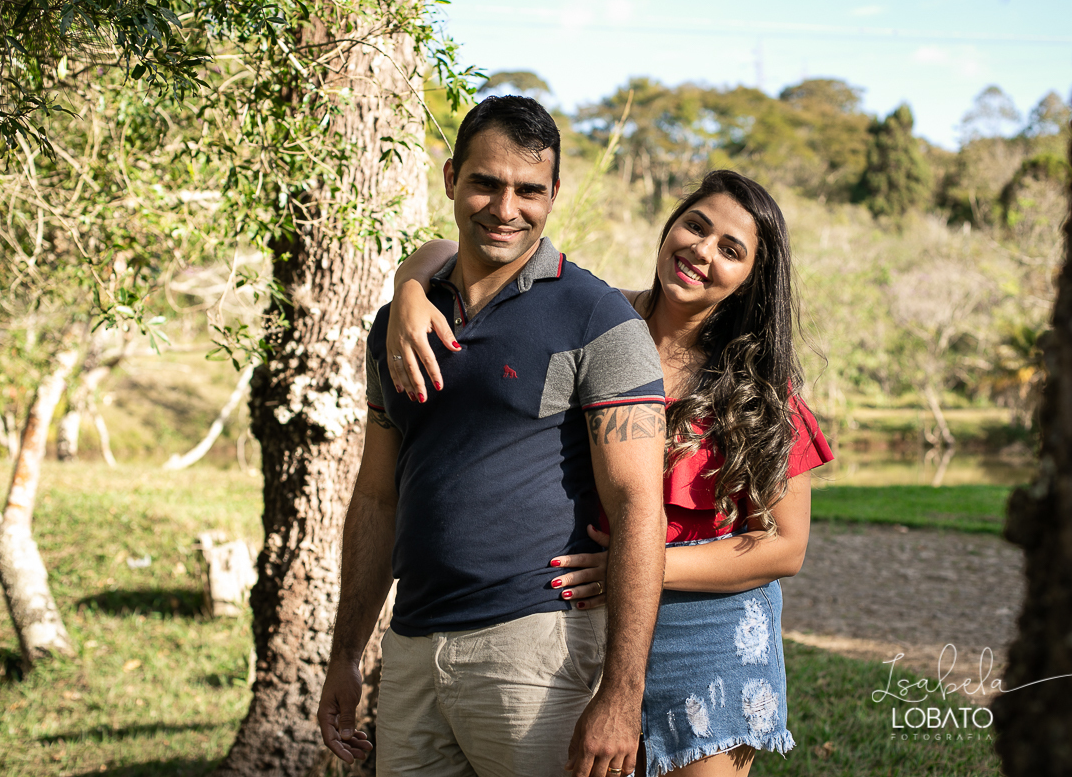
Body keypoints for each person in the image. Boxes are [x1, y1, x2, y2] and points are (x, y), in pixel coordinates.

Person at [384, 169, 833, 777]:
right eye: (695, 226)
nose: (702, 251)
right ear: (670, 225)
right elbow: (451, 251)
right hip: (583, 628)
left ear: (751, 279)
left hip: (709, 636)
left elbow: (786, 547)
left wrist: (637, 564)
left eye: (731, 250)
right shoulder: (595, 316)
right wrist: (409, 289)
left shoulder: (758, 391)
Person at [316, 95, 670, 777]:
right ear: (451, 178)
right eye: (486, 183)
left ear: (554, 194)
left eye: (529, 190)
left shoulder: (595, 319)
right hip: (412, 652)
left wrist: (622, 696)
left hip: (536, 651)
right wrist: (344, 656)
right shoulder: (399, 322)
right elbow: (376, 498)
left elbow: (637, 508)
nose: (507, 208)